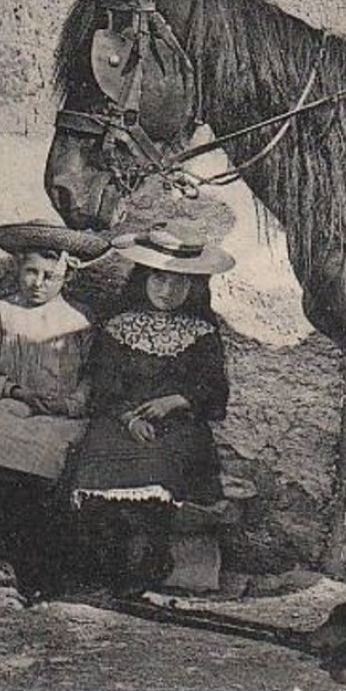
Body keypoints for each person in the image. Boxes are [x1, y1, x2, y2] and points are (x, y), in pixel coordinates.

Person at [0, 220, 109, 594]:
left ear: (66, 277)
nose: (38, 283)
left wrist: (73, 401)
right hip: (7, 405)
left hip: (58, 415)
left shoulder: (80, 319)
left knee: (44, 451)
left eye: (49, 275)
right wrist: (13, 390)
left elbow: (94, 375)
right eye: (31, 272)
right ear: (17, 269)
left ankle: (14, 556)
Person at [64, 226, 234, 596]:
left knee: (162, 463)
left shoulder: (202, 331)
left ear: (194, 285)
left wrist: (175, 400)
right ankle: (108, 564)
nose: (166, 291)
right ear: (144, 277)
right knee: (97, 457)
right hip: (120, 420)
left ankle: (152, 560)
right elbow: (104, 383)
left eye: (178, 282)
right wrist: (129, 417)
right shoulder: (118, 326)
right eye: (159, 279)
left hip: (179, 426)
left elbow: (215, 390)